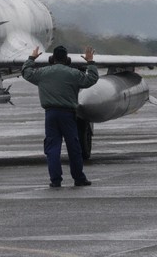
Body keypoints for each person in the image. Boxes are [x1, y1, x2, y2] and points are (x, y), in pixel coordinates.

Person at [22, 45, 99, 187]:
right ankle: (79, 178)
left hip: (50, 114)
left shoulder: (42, 73)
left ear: (52, 59)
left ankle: (55, 180)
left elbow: (26, 72)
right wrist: (90, 62)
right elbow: (92, 79)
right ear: (67, 59)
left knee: (52, 148)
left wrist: (31, 58)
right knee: (74, 147)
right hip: (68, 115)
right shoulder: (73, 73)